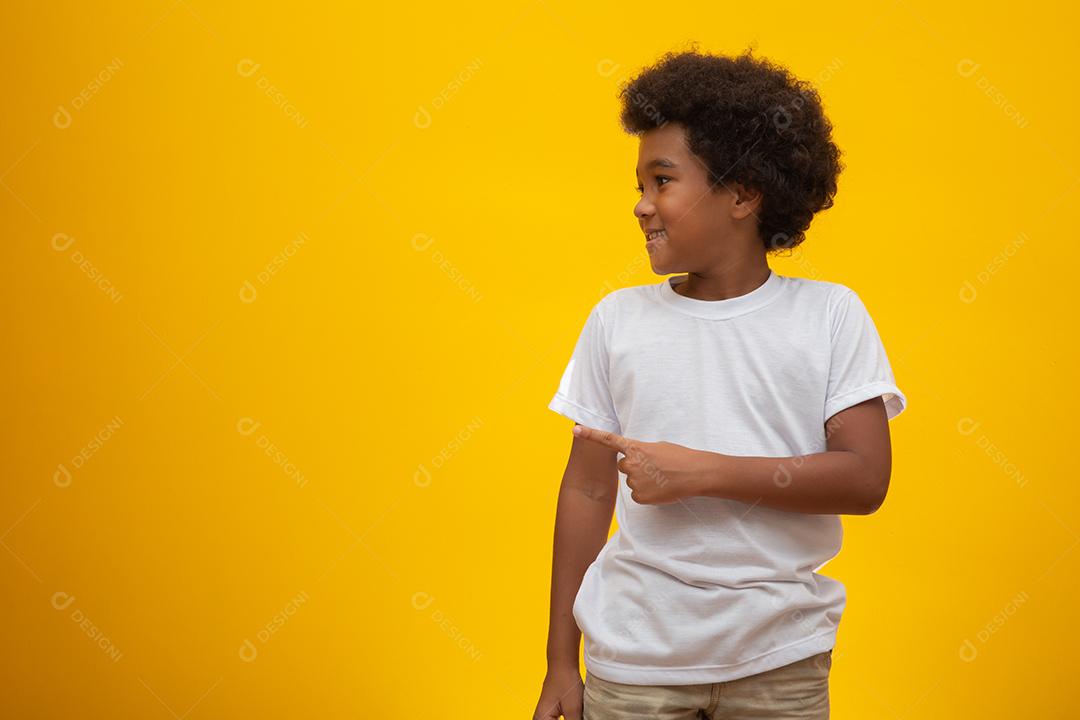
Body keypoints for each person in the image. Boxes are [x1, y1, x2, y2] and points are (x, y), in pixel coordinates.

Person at [532, 45, 907, 720]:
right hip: (634, 661)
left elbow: (864, 479)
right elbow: (587, 490)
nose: (642, 206)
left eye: (662, 181)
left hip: (781, 658)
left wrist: (699, 472)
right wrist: (561, 661)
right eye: (639, 186)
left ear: (742, 193)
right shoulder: (617, 321)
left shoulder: (830, 315)